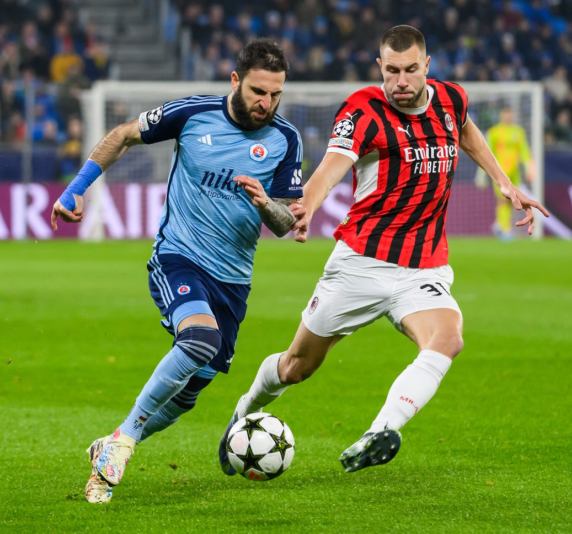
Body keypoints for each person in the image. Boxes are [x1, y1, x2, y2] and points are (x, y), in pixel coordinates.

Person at [219, 26, 549, 475]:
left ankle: (380, 431)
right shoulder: (363, 110)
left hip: (423, 267)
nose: (401, 81)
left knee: (448, 338)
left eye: (411, 70)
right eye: (391, 71)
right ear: (380, 67)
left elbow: (466, 131)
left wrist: (504, 182)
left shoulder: (451, 99)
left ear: (427, 66)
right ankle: (245, 410)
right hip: (361, 264)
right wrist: (306, 207)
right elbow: (330, 168)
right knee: (297, 366)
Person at [51, 39, 305, 502]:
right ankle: (123, 444)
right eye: (257, 91)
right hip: (178, 257)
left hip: (233, 280)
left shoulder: (285, 139)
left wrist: (266, 204)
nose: (266, 103)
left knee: (187, 395)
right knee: (199, 339)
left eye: (275, 94)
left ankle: (113, 442)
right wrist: (76, 188)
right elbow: (122, 135)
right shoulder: (192, 114)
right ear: (235, 80)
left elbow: (287, 221)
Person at [475, 106, 534, 240]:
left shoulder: (518, 132)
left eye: (510, 114)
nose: (508, 117)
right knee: (503, 199)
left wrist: (528, 167)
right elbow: (486, 153)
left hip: (514, 173)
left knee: (513, 201)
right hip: (499, 172)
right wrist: (481, 174)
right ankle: (505, 229)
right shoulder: (494, 132)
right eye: (506, 114)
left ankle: (499, 224)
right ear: (501, 116)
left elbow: (524, 151)